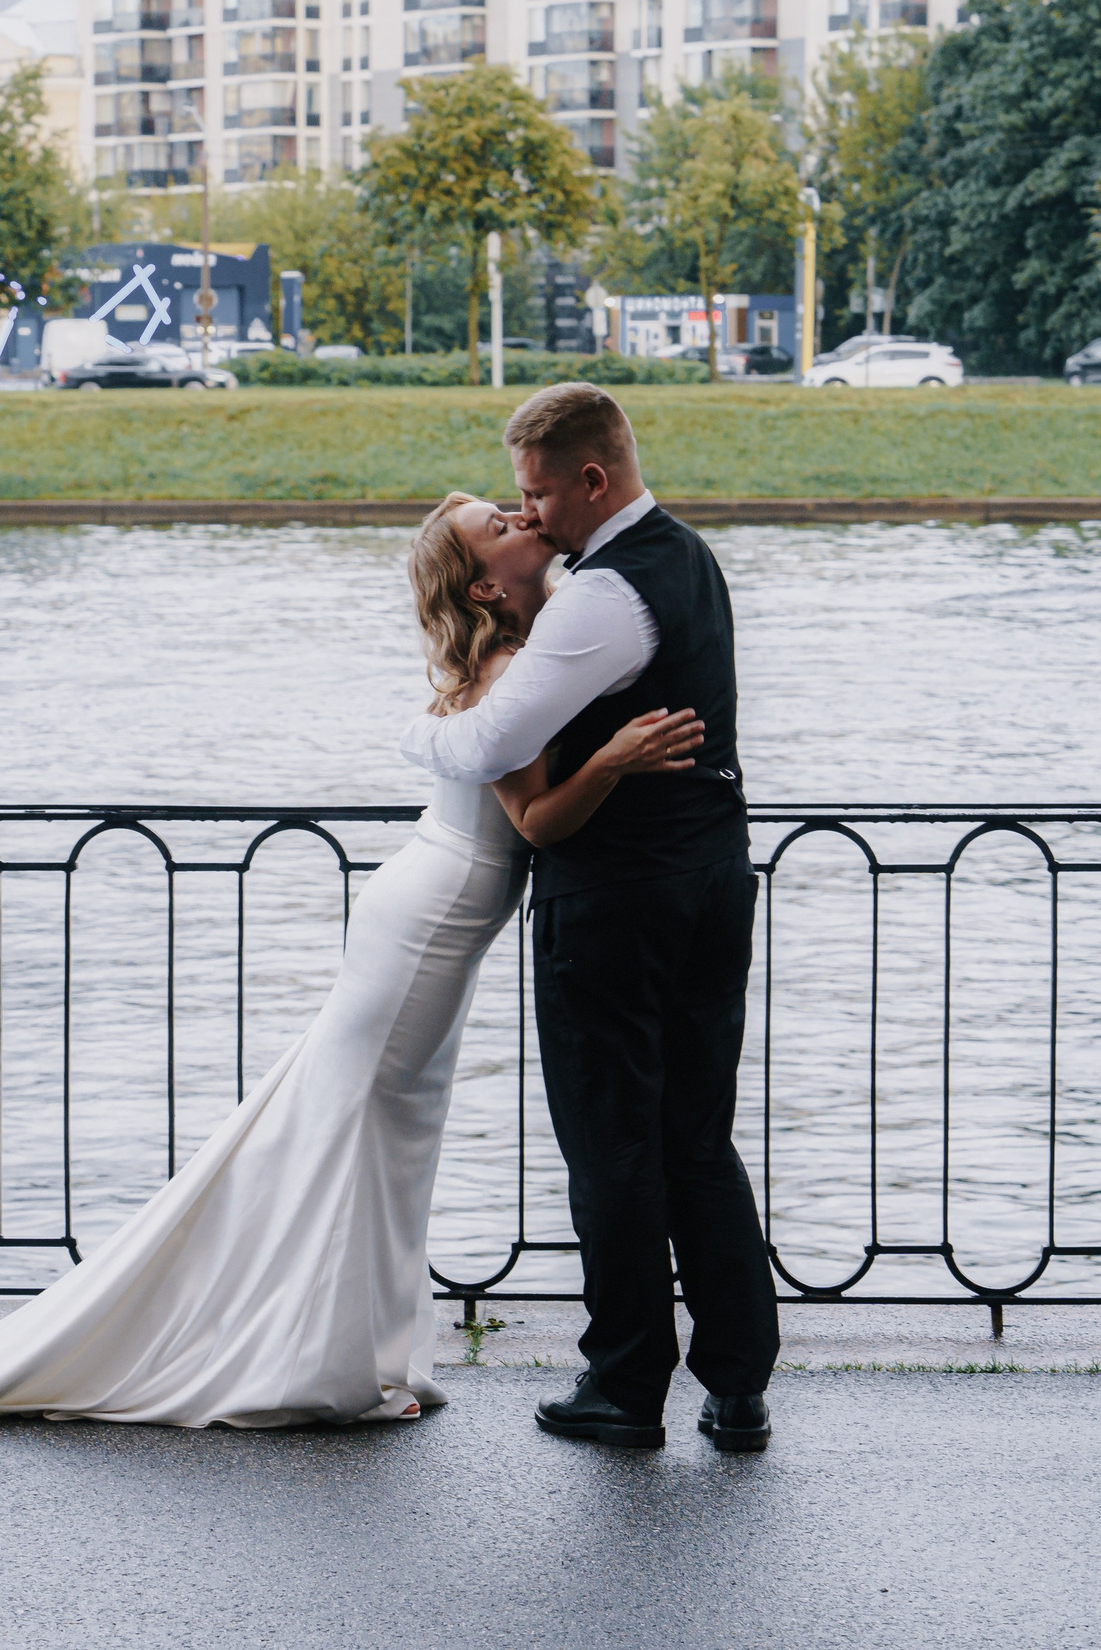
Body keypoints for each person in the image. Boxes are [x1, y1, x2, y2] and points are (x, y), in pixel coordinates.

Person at [0, 490, 702, 1432]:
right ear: (481, 587)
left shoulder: (520, 650)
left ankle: (369, 1351)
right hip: (429, 920)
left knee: (388, 1136)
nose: (520, 520)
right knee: (359, 1132)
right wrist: (615, 760)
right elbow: (534, 820)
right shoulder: (502, 667)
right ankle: (316, 1359)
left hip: (433, 914)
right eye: (498, 526)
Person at [402, 382, 779, 1455]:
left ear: (592, 481)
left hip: (616, 904)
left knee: (612, 1144)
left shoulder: (599, 596)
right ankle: (739, 1385)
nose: (528, 512)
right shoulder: (689, 558)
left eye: (535, 493)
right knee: (696, 1137)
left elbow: (485, 746)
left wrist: (408, 732)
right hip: (713, 883)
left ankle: (624, 1384)